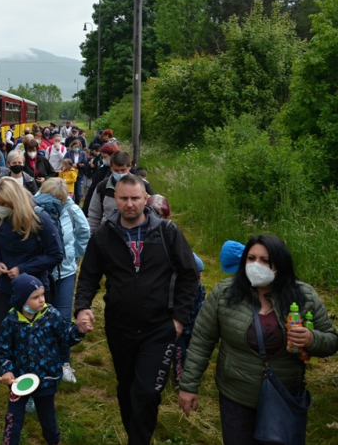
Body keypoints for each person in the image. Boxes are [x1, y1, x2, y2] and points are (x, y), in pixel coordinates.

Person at [74, 174, 200, 445]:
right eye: (123, 198)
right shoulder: (103, 236)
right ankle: (136, 434)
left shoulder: (167, 233)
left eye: (135, 198)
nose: (129, 204)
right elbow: (88, 277)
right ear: (115, 199)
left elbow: (190, 275)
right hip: (119, 327)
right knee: (126, 388)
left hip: (159, 328)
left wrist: (179, 319)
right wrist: (82, 308)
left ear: (146, 199)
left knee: (147, 392)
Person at [179, 235, 338, 445]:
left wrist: (312, 339)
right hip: (236, 395)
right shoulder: (224, 294)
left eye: (265, 260)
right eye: (251, 258)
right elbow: (201, 341)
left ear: (280, 263)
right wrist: (189, 385)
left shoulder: (304, 295)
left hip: (284, 395)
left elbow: (331, 341)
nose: (256, 265)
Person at [0, 177, 64, 426]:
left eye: (2, 203)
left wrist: (23, 268)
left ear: (15, 201)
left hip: (33, 291)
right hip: (5, 288)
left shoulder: (41, 219)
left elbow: (56, 254)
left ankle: (30, 391)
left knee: (32, 343)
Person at [0, 274, 86, 445]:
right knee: (13, 421)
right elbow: (2, 350)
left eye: (42, 295)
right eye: (35, 297)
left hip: (46, 379)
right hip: (19, 381)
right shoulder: (10, 321)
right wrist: (6, 369)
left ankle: (54, 441)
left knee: (48, 420)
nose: (41, 300)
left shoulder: (51, 314)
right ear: (22, 300)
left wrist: (79, 331)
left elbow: (65, 337)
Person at [146, 194, 206, 384]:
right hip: (154, 300)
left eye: (162, 215)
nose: (157, 219)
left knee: (181, 341)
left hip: (179, 300)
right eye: (153, 214)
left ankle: (181, 374)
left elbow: (196, 265)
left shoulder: (172, 234)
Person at [39, 178, 90, 383]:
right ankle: (39, 361)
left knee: (63, 317)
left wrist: (75, 256)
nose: (56, 204)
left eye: (60, 200)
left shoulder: (70, 209)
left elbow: (84, 232)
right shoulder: (34, 206)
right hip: (41, 274)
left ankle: (63, 362)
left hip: (65, 272)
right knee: (40, 317)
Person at [87, 151, 154, 232]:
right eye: (116, 170)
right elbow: (94, 217)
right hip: (109, 234)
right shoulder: (102, 187)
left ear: (129, 167)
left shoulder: (143, 185)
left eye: (123, 170)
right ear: (111, 167)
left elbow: (153, 212)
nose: (119, 173)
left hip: (137, 232)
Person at [83, 142, 120, 216]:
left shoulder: (126, 171)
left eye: (105, 157)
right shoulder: (101, 170)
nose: (103, 159)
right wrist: (85, 209)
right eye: (102, 157)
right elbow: (92, 189)